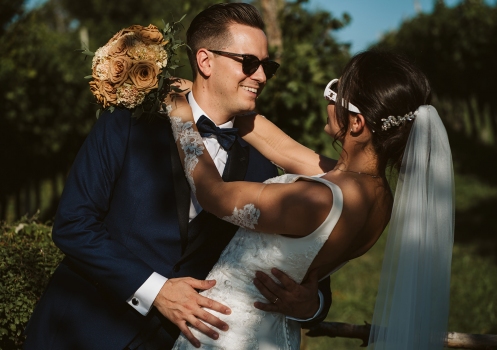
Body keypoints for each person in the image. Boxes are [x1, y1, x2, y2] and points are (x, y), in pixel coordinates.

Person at [22, 3, 332, 350]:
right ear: (205, 61)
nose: (260, 76)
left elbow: (301, 260)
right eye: (249, 62)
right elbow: (73, 224)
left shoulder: (264, 167)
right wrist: (157, 290)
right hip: (80, 332)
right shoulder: (128, 123)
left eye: (267, 67)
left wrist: (312, 306)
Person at [166, 50, 454, 349]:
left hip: (223, 335)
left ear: (356, 123)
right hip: (276, 337)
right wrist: (200, 90)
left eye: (335, 92)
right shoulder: (376, 196)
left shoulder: (318, 199)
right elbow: (280, 146)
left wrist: (179, 114)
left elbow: (214, 194)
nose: (327, 99)